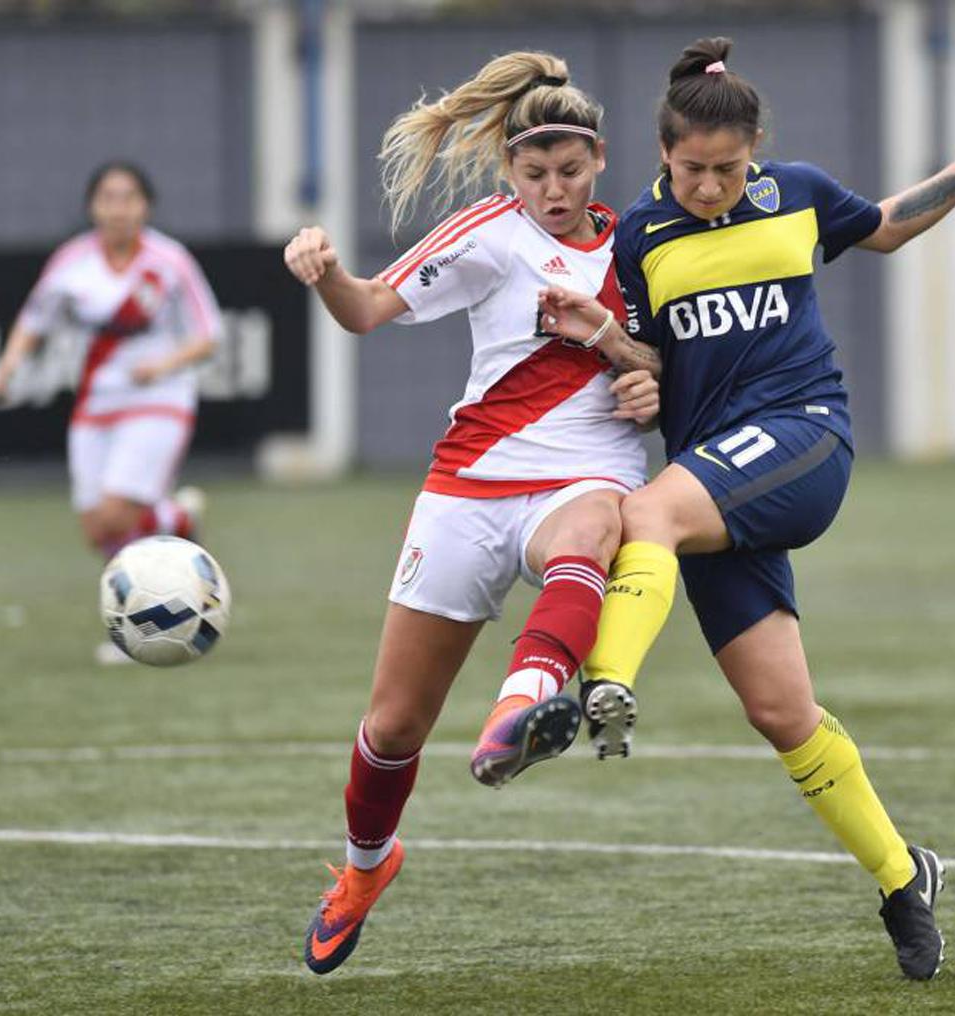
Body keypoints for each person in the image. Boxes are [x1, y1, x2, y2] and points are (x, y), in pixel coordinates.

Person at [536, 37, 955, 980]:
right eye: (693, 169)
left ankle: (599, 683)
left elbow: (886, 225)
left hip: (804, 435)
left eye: (728, 169)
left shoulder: (798, 192)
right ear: (662, 155)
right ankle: (905, 877)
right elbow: (651, 365)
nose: (711, 186)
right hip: (713, 478)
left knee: (643, 515)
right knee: (781, 712)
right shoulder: (638, 237)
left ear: (757, 149)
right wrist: (621, 360)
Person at [280, 51, 662, 976]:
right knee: (394, 727)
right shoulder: (489, 233)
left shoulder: (645, 240)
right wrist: (324, 270)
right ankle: (366, 870)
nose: (554, 190)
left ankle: (520, 710)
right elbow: (367, 309)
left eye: (570, 171)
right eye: (534, 174)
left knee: (594, 530)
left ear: (600, 159)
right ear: (509, 172)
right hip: (468, 487)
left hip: (584, 472)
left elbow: (673, 362)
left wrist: (642, 372)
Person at [0, 162, 222, 665]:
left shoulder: (169, 260)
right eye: (108, 198)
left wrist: (162, 364)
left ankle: (151, 622)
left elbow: (208, 335)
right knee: (98, 530)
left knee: (120, 513)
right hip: (96, 403)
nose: (119, 208)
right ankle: (176, 516)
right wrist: (7, 367)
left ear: (146, 205)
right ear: (93, 206)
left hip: (160, 399)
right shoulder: (72, 262)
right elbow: (34, 319)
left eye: (129, 197)